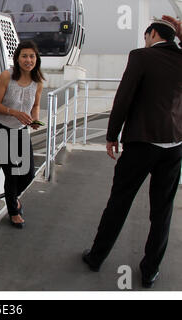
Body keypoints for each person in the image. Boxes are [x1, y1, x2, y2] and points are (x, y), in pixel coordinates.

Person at [82, 19, 182, 289]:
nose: (146, 40)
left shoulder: (141, 56)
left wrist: (112, 135)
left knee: (120, 201)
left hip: (141, 143)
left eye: (146, 35)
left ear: (152, 33)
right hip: (174, 145)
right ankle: (150, 271)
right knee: (163, 211)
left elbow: (124, 97)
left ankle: (96, 257)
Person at [0, 40, 44, 229]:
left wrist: (34, 119)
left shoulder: (38, 82)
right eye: (24, 56)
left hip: (20, 130)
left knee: (28, 174)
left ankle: (13, 198)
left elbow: (35, 105)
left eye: (32, 56)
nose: (29, 60)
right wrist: (15, 113)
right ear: (17, 58)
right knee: (12, 173)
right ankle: (13, 211)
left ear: (37, 58)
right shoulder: (6, 76)